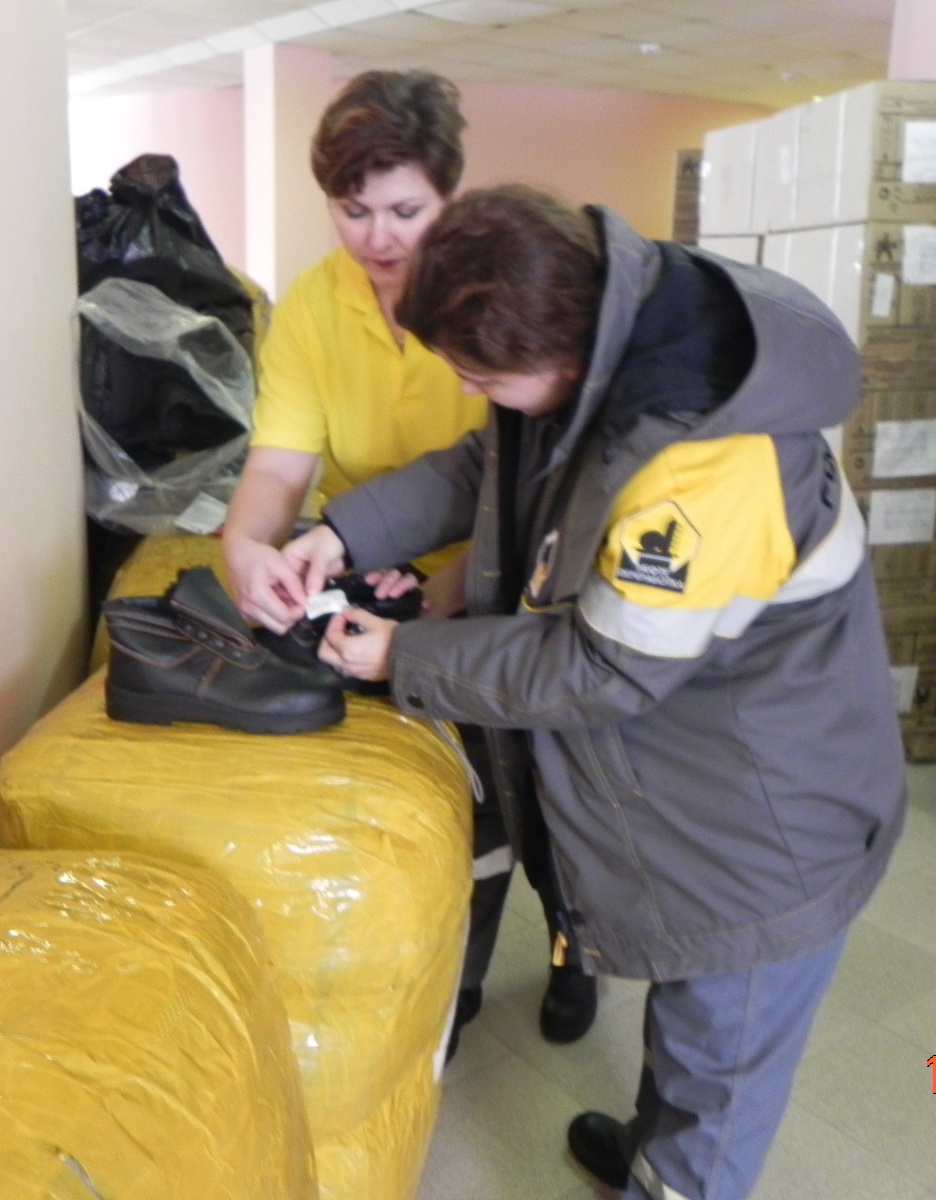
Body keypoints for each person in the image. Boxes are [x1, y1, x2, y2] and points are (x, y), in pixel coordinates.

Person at [281, 186, 906, 1199]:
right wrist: (342, 533)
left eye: (480, 374)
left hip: (768, 827)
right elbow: (489, 464)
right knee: (688, 1025)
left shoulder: (705, 465)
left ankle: (677, 1176)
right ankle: (654, 1145)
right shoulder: (612, 335)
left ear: (561, 355)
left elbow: (601, 667)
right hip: (704, 770)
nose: (466, 388)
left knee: (719, 1060)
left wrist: (404, 658)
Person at [220, 74, 597, 1053]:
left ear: (450, 196)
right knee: (443, 800)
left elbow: (523, 479)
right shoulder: (314, 305)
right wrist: (248, 546)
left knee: (543, 791)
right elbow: (278, 464)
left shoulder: (495, 296)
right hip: (367, 566)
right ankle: (453, 979)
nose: (378, 238)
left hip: (506, 572)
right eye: (354, 212)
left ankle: (575, 947)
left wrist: (455, 581)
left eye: (404, 211)